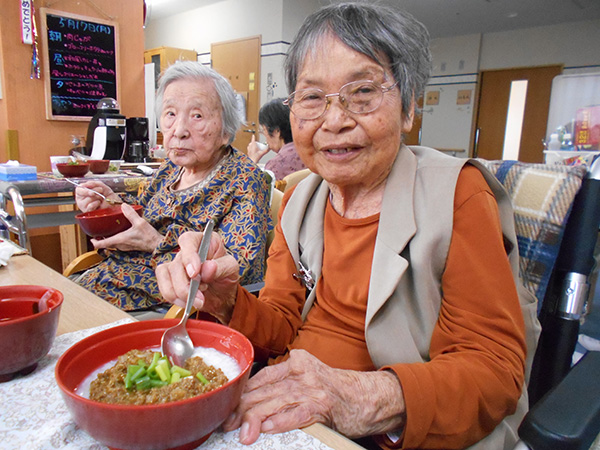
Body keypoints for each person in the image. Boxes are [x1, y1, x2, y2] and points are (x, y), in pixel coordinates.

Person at [156, 3, 540, 449]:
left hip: (402, 432)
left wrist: (359, 397)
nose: (335, 121)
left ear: (409, 107)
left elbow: (494, 370)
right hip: (300, 414)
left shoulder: (458, 195)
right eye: (313, 97)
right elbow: (281, 325)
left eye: (362, 92)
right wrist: (225, 301)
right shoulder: (300, 203)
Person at [73, 61, 271, 314]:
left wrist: (156, 243)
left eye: (197, 116)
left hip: (170, 306)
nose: (179, 131)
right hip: (112, 281)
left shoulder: (245, 180)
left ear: (226, 130)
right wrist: (111, 206)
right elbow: (142, 216)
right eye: (170, 114)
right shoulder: (169, 169)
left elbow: (240, 273)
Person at [246, 98, 306, 180]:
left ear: (276, 131)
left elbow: (248, 189)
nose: (265, 138)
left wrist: (251, 161)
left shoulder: (277, 165)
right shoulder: (308, 153)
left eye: (263, 130)